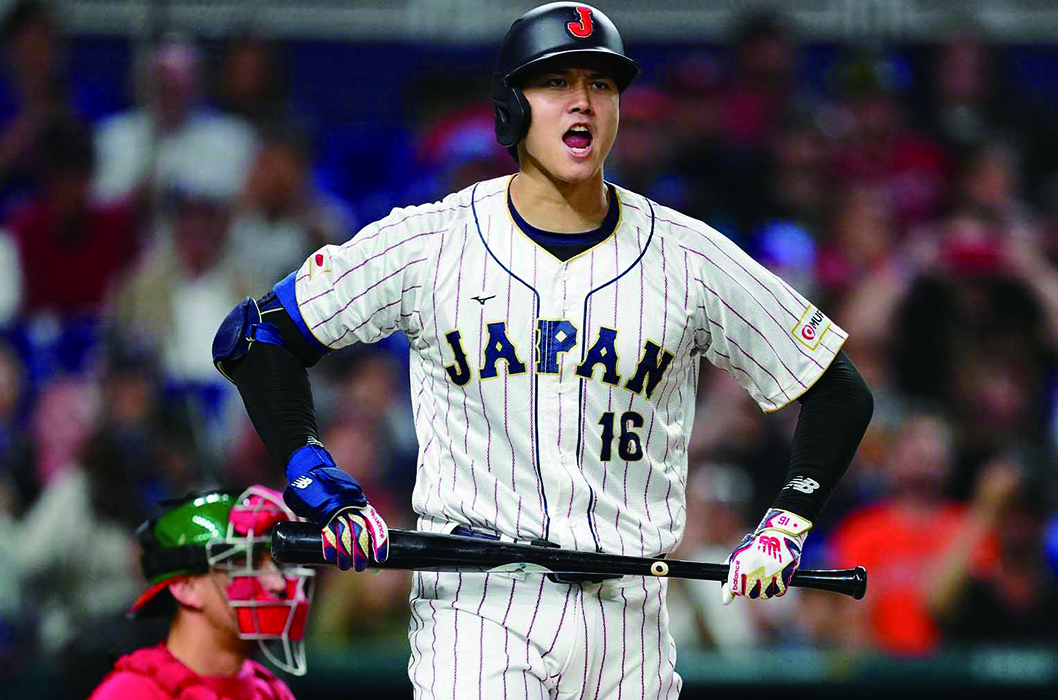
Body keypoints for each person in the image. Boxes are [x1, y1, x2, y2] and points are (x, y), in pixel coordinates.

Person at [213, 3, 873, 697]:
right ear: (511, 107)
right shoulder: (431, 242)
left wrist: (787, 521)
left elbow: (837, 388)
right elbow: (257, 335)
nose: (582, 102)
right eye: (556, 82)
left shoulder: (687, 255)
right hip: (478, 607)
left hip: (630, 617)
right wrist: (313, 473)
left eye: (601, 84)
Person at [87, 485, 314, 699]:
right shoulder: (132, 693)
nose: (278, 583)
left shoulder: (273, 692)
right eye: (249, 563)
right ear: (186, 587)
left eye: (278, 565)